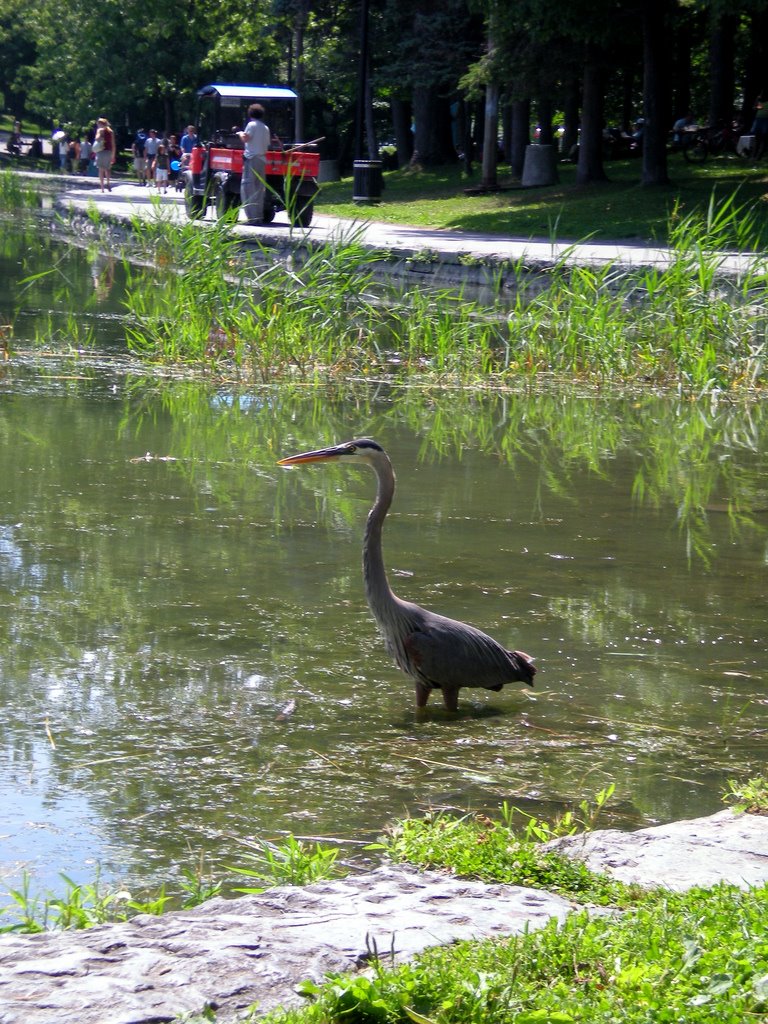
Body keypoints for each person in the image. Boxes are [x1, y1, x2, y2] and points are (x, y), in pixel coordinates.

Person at [238, 103, 271, 225]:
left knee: (248, 188)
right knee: (259, 189)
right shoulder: (265, 128)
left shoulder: (251, 125)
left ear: (250, 113)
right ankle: (258, 217)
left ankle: (251, 218)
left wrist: (240, 133)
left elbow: (246, 138)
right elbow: (267, 144)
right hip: (262, 160)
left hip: (251, 158)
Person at [93, 116, 116, 192]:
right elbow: (113, 144)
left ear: (100, 124)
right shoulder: (111, 131)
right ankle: (108, 183)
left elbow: (96, 138)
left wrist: (100, 134)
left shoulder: (99, 130)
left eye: (98, 124)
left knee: (100, 169)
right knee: (107, 169)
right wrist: (113, 155)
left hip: (101, 151)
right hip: (109, 152)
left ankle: (102, 188)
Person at [751, 94, 768, 160]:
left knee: (763, 139)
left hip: (765, 120)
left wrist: (757, 99)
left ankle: (758, 157)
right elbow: (755, 108)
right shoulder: (761, 104)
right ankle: (754, 156)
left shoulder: (762, 103)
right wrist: (757, 99)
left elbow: (755, 108)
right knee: (758, 139)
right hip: (759, 120)